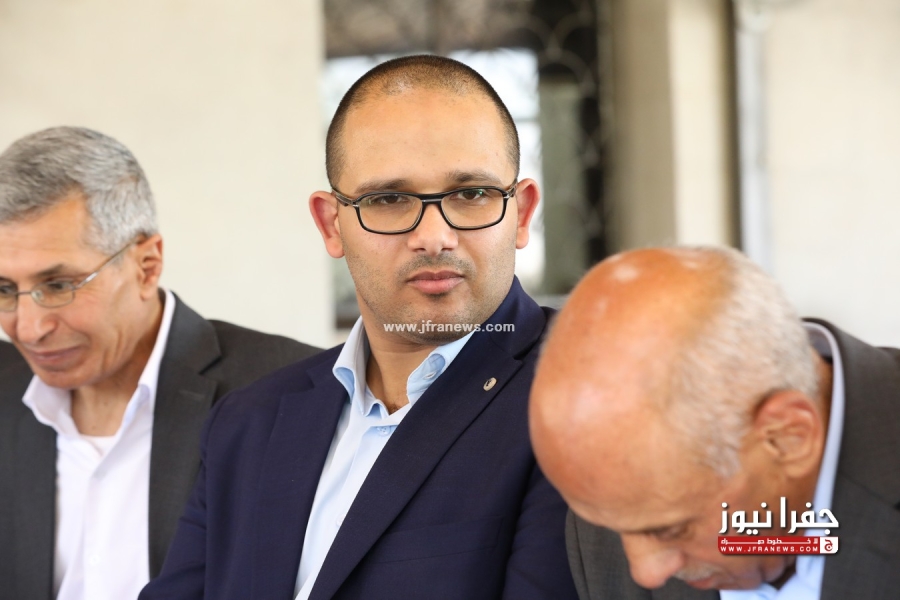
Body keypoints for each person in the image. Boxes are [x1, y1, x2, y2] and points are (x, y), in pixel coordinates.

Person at [141, 55, 577, 600]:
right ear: (331, 224)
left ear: (523, 213)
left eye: (470, 195)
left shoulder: (579, 399)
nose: (434, 237)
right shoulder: (246, 423)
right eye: (389, 199)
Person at [0, 126, 321, 600]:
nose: (29, 328)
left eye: (60, 285)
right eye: (5, 289)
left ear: (146, 266)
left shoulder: (291, 391)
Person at [529, 246, 900, 600]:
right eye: (610, 525)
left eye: (673, 530)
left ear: (788, 437)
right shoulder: (613, 507)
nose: (645, 573)